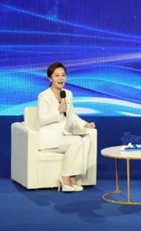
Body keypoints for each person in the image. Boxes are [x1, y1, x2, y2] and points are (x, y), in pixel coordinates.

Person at [37, 62, 96, 193]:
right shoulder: (43, 96)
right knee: (76, 141)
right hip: (50, 137)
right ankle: (65, 178)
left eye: (63, 75)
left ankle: (73, 176)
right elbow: (42, 120)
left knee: (86, 139)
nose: (60, 78)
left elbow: (72, 115)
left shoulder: (67, 94)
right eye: (56, 75)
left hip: (64, 135)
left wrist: (85, 124)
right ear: (50, 78)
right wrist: (58, 111)